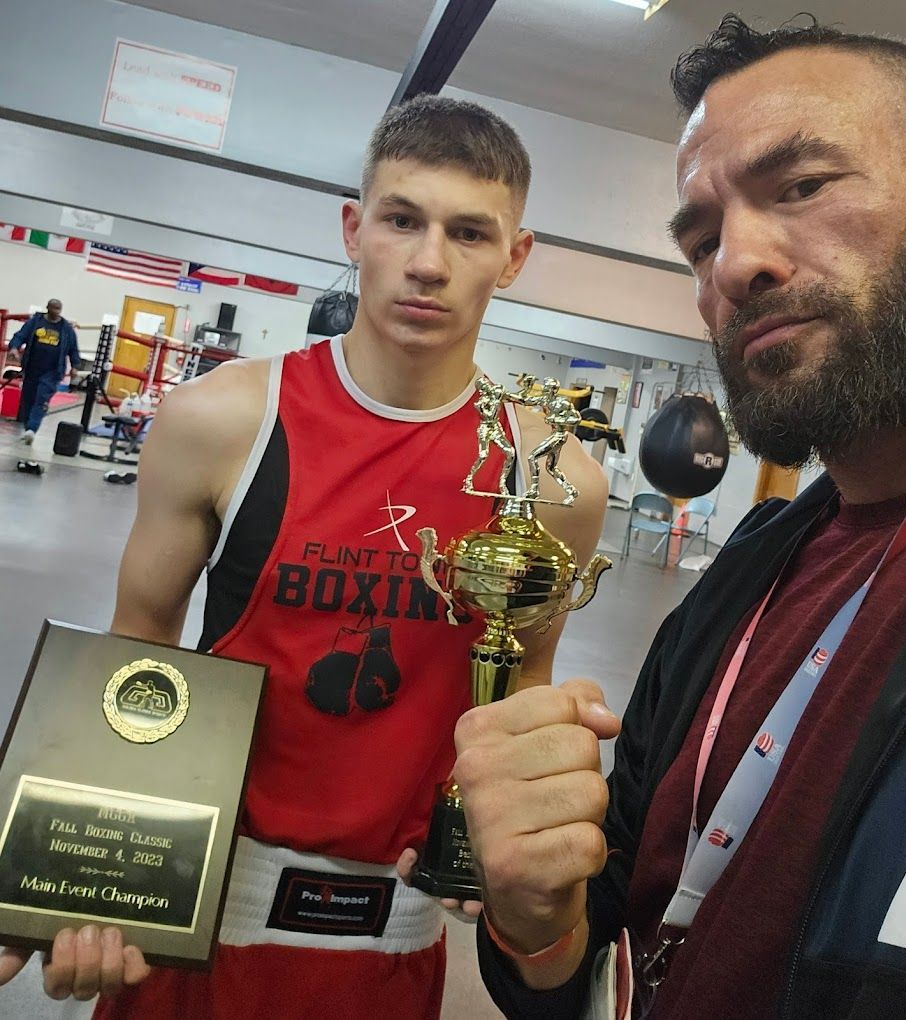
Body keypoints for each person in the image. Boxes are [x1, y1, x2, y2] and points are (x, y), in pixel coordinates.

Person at [0, 97, 607, 1016]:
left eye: (468, 233)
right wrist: (81, 873)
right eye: (401, 220)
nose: (428, 262)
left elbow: (520, 684)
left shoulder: (552, 479)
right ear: (354, 229)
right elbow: (138, 649)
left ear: (513, 256)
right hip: (196, 925)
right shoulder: (223, 420)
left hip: (391, 945)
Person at [457, 15, 906, 1019]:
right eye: (701, 241)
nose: (734, 265)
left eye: (803, 185)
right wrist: (536, 925)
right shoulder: (744, 578)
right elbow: (611, 925)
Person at [7, 298, 81, 444]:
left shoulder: (66, 329)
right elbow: (20, 335)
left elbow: (73, 348)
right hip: (32, 368)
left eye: (59, 309)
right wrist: (14, 348)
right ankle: (28, 426)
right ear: (47, 308)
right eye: (54, 308)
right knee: (28, 399)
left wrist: (75, 366)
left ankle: (32, 429)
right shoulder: (35, 322)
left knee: (42, 398)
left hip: (53, 371)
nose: (56, 312)